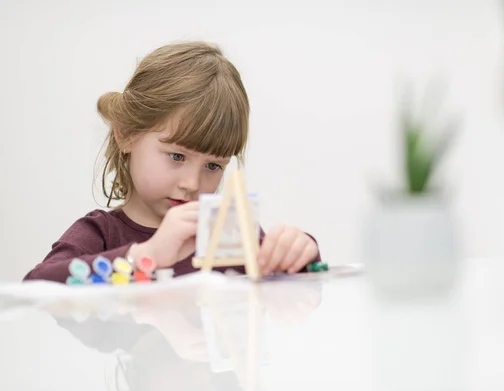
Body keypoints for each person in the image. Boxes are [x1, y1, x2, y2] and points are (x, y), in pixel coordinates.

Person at [23, 41, 321, 284]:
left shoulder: (231, 233)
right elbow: (37, 285)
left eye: (214, 166)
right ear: (126, 134)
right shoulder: (101, 235)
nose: (192, 183)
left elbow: (289, 288)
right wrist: (145, 255)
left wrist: (300, 253)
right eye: (177, 156)